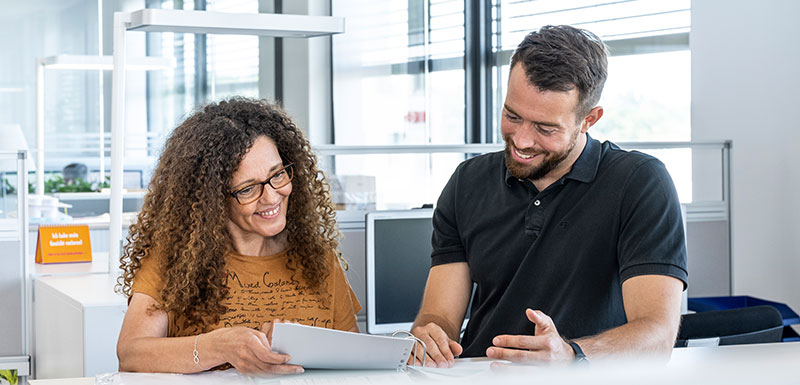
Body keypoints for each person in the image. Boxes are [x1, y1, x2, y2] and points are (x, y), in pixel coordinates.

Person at [411, 25, 688, 367]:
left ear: (589, 119)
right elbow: (440, 314)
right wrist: (430, 334)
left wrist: (571, 355)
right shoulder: (467, 182)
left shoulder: (639, 183)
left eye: (545, 128)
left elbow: (657, 335)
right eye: (512, 116)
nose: (523, 141)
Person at [116, 98, 361, 375]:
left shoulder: (317, 256)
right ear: (212, 200)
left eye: (278, 174)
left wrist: (305, 346)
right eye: (247, 189)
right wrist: (219, 346)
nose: (271, 197)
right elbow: (131, 354)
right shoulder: (177, 259)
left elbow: (354, 359)